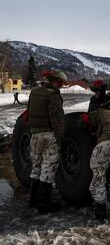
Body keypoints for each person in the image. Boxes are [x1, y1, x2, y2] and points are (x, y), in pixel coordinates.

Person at [28, 70, 67, 213]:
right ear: (54, 81)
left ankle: (33, 200)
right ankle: (44, 204)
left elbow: (29, 112)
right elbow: (57, 119)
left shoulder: (34, 91)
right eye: (60, 83)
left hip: (34, 135)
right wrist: (61, 139)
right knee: (48, 168)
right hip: (49, 135)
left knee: (36, 167)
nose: (60, 86)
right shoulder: (53, 95)